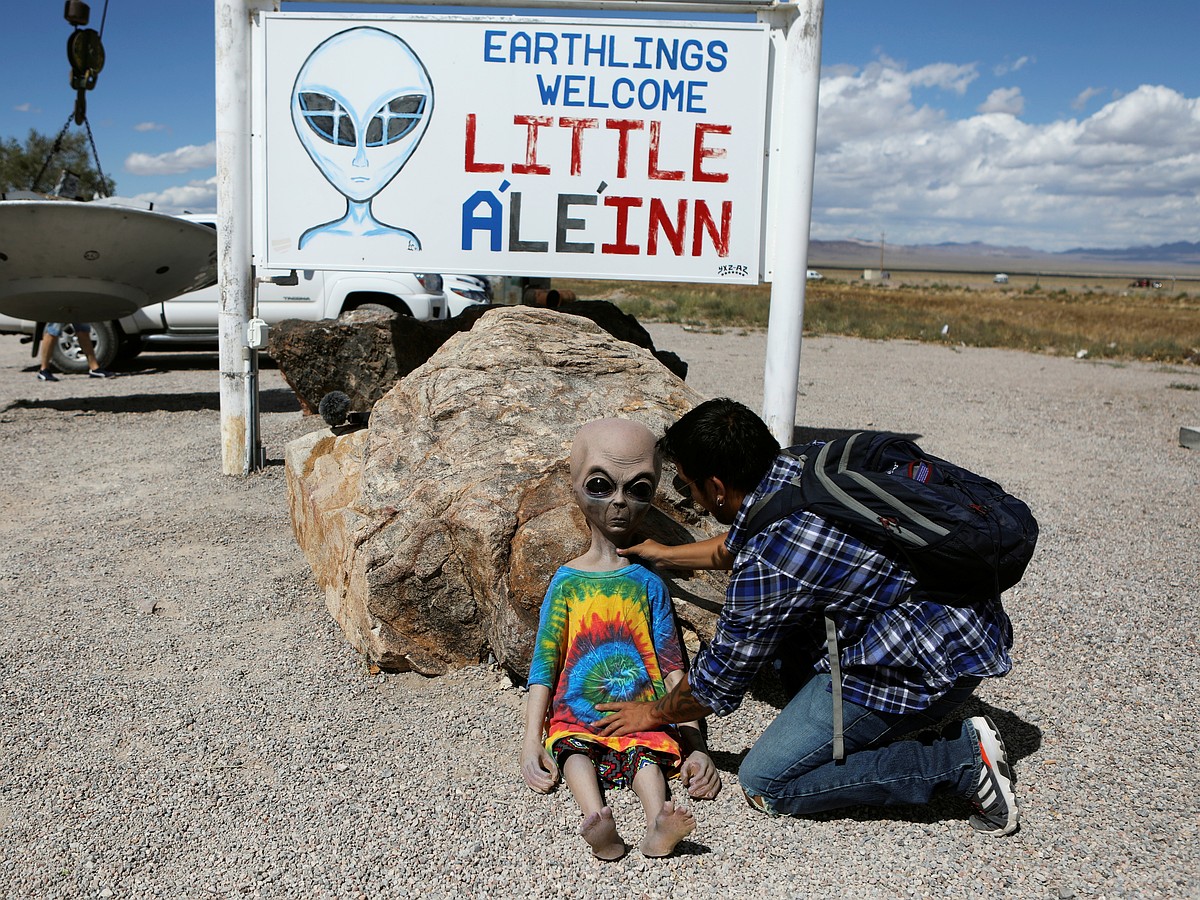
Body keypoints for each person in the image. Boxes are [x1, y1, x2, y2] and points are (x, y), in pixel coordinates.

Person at [597, 398, 1021, 836]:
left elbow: (717, 683)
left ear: (717, 487)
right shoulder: (795, 465)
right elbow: (741, 541)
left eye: (690, 487)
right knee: (790, 653)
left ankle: (960, 763)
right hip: (961, 624)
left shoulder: (771, 562)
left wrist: (649, 715)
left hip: (926, 666)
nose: (694, 499)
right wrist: (666, 555)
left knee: (767, 781)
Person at [520, 418, 721, 861]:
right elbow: (545, 662)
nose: (618, 503)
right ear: (574, 486)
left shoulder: (648, 582)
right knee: (574, 750)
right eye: (600, 485)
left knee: (647, 755)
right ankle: (597, 820)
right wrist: (531, 740)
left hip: (643, 712)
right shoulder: (567, 581)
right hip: (578, 709)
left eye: (638, 489)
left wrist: (696, 745)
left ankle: (658, 822)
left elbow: (672, 666)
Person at [36, 323, 114, 381]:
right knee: (53, 330)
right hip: (59, 304)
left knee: (83, 330)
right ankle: (44, 369)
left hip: (75, 303)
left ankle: (94, 368)